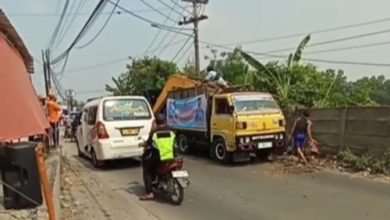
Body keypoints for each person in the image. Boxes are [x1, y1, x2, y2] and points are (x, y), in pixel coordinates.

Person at [139, 115, 176, 201]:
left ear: (156, 122)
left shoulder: (154, 133)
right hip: (172, 156)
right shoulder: (172, 130)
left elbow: (148, 144)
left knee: (147, 170)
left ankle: (149, 193)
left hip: (159, 158)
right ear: (164, 121)